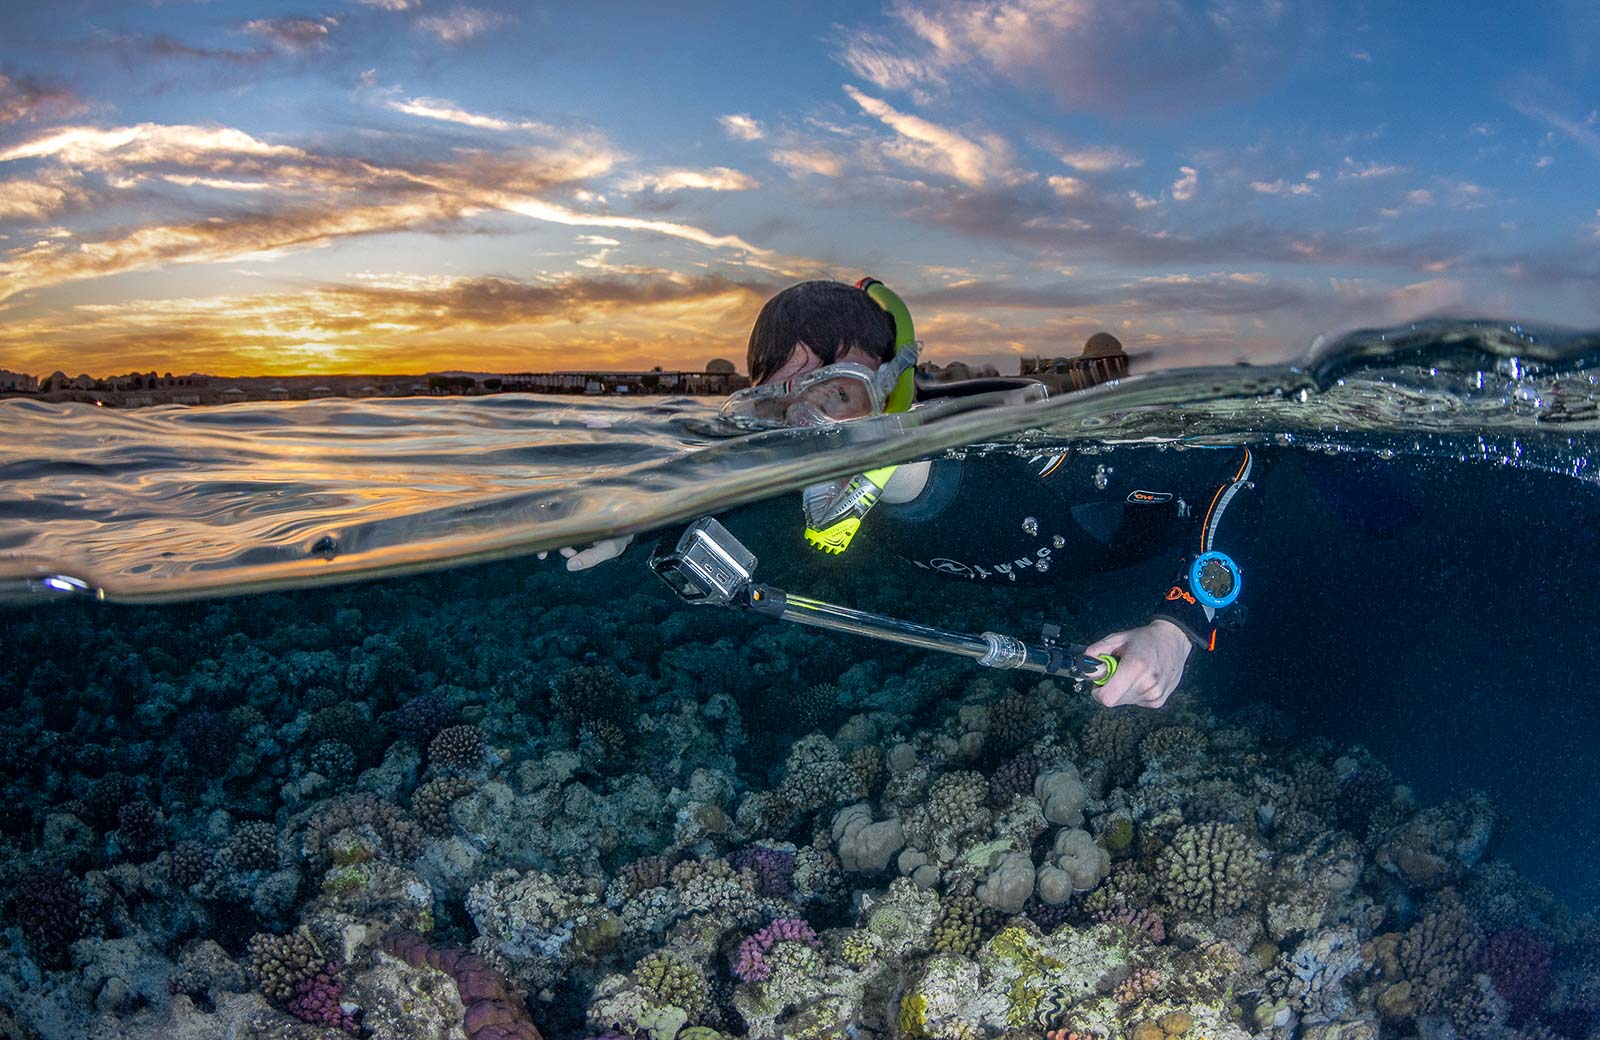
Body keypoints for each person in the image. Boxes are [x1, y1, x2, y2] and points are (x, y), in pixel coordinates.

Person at [553, 279, 1253, 710]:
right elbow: (727, 483)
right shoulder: (790, 460)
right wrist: (634, 518)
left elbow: (1235, 466)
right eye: (780, 404)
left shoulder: (1040, 454)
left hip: (1133, 539)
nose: (814, 429)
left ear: (896, 387)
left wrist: (1178, 629)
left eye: (839, 394)